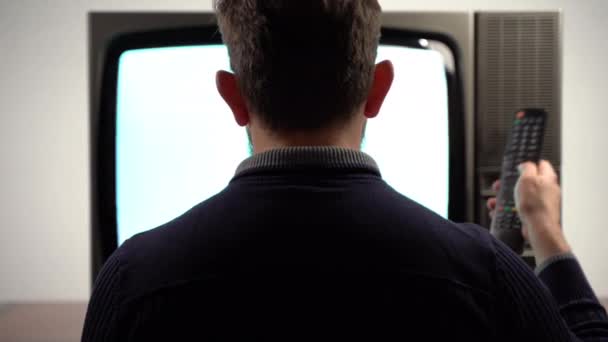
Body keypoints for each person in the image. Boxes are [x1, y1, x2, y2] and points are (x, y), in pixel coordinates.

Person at [82, 1, 608, 341]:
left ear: (232, 97)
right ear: (379, 89)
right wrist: (548, 236)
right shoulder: (484, 272)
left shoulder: (133, 280)